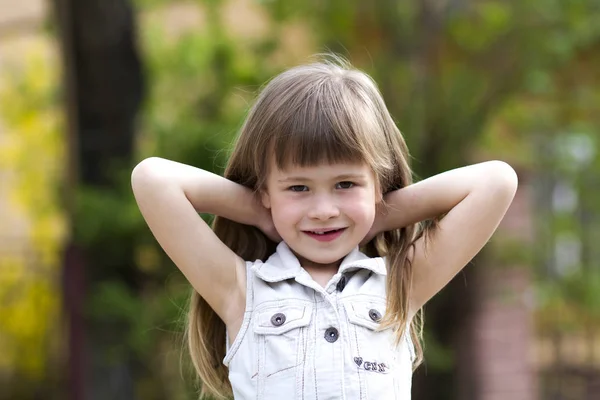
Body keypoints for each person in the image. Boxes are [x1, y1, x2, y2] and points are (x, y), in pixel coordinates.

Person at [131, 55, 518, 400]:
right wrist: (263, 212)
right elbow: (153, 180)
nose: (323, 210)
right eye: (298, 188)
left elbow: (496, 182)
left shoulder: (401, 284)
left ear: (377, 184)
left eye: (345, 185)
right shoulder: (241, 291)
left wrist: (376, 214)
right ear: (266, 190)